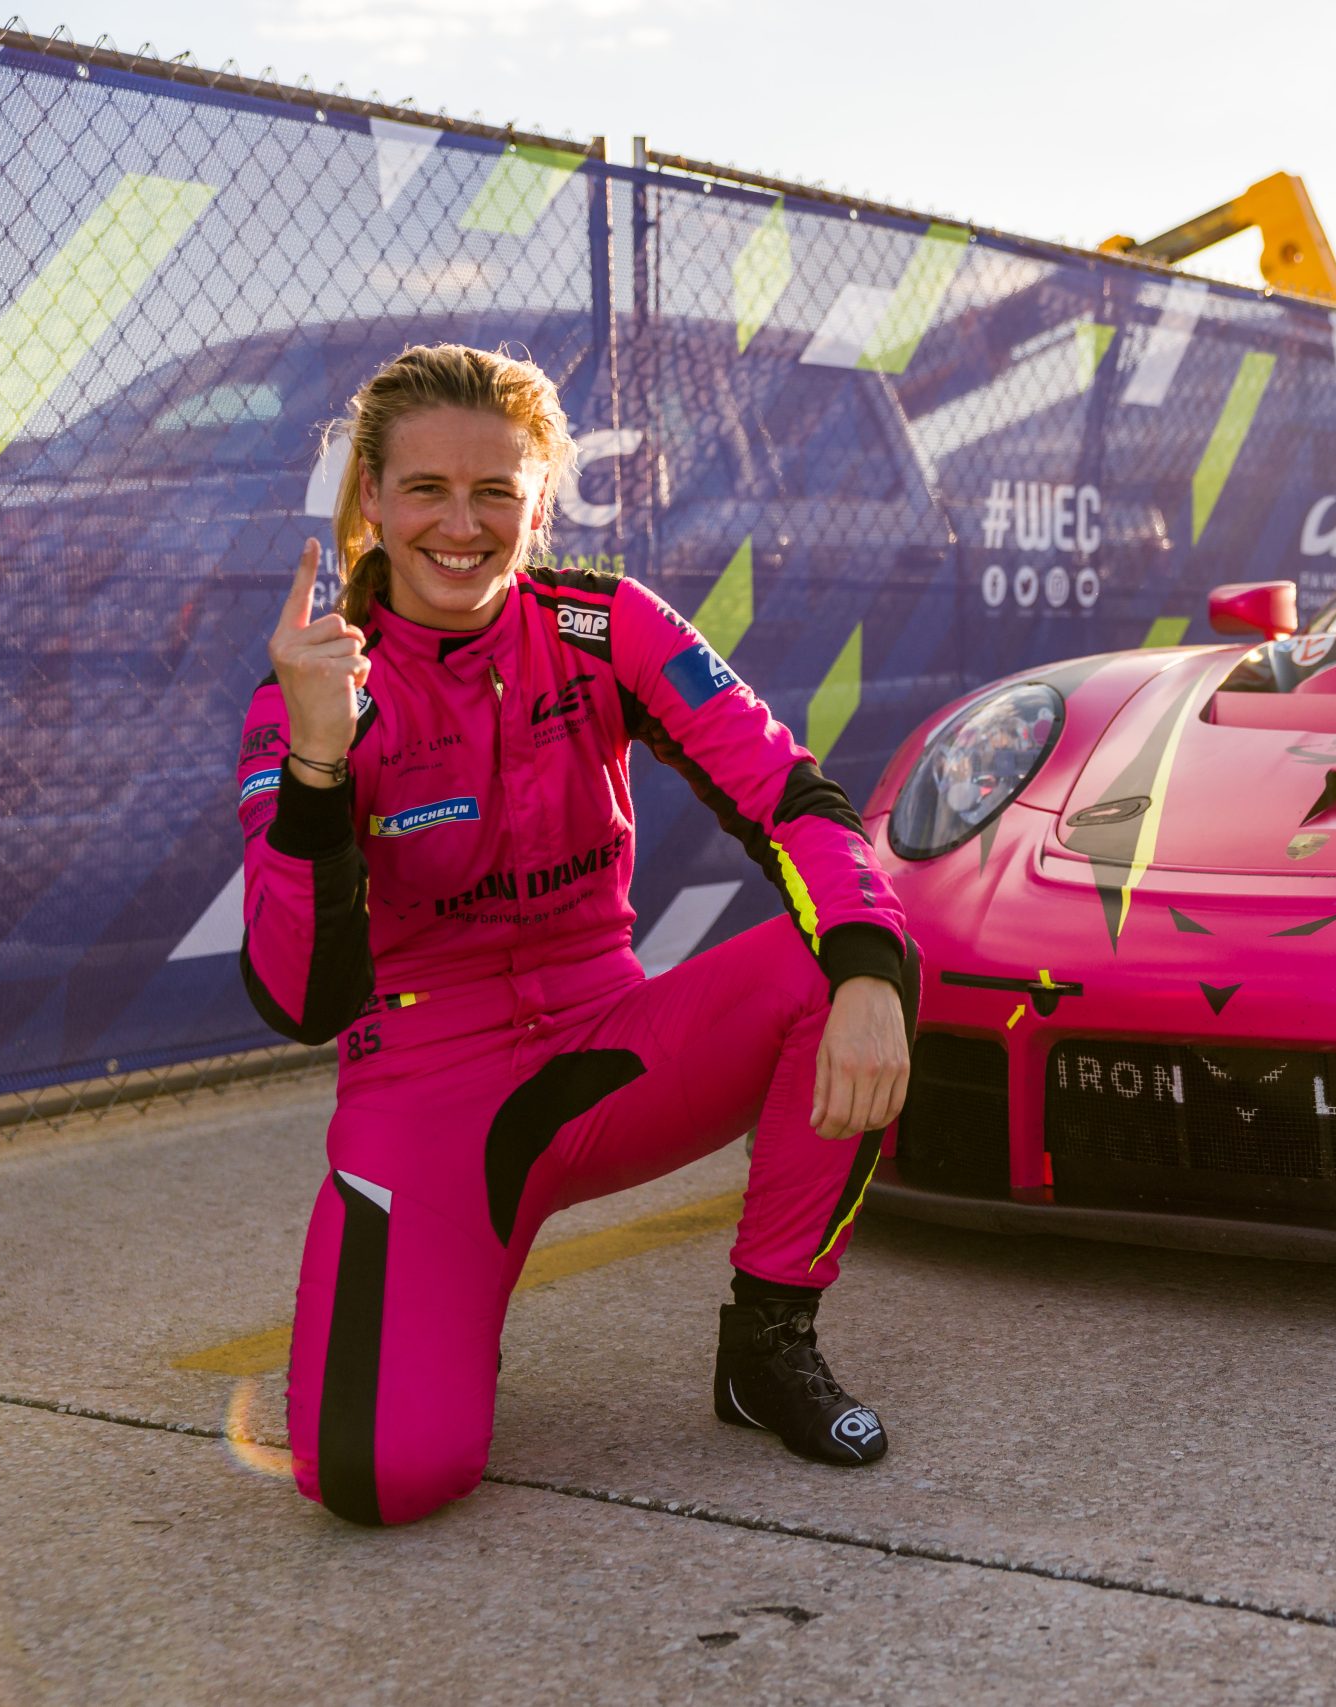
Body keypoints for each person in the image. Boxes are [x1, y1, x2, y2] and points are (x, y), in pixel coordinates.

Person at [236, 344, 915, 1527]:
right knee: (372, 1481)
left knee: (868, 951)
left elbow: (786, 793)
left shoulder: (604, 624)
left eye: (496, 490)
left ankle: (767, 1345)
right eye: (426, 490)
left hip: (609, 1049)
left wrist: (866, 967)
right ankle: (435, 1315)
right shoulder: (317, 688)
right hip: (427, 1095)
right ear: (371, 506)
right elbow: (300, 1001)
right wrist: (315, 762)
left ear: (539, 504)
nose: (463, 523)